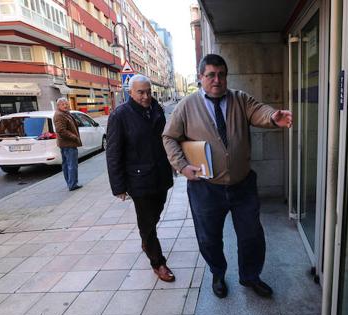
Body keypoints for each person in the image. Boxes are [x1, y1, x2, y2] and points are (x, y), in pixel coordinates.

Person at [163, 54, 293, 298]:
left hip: (242, 185)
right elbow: (169, 137)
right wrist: (181, 166)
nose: (217, 80)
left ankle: (250, 276)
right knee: (209, 237)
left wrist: (273, 116)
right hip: (205, 187)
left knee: (252, 234)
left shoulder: (239, 99)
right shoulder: (187, 106)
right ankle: (218, 273)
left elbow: (259, 111)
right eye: (210, 75)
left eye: (221, 74)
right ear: (200, 77)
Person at [106, 74, 175, 282]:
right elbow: (113, 152)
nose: (145, 96)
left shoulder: (156, 109)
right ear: (130, 92)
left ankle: (146, 240)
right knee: (146, 221)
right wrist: (118, 186)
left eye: (148, 92)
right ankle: (158, 262)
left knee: (155, 213)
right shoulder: (120, 115)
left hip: (160, 175)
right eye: (140, 92)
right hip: (138, 178)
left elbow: (165, 139)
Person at [54, 97, 82, 191]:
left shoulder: (65, 113)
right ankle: (73, 184)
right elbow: (61, 130)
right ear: (58, 106)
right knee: (71, 165)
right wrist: (74, 137)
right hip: (68, 143)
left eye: (66, 103)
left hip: (66, 143)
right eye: (63, 104)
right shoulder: (59, 115)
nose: (65, 105)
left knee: (67, 164)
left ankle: (70, 183)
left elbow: (68, 125)